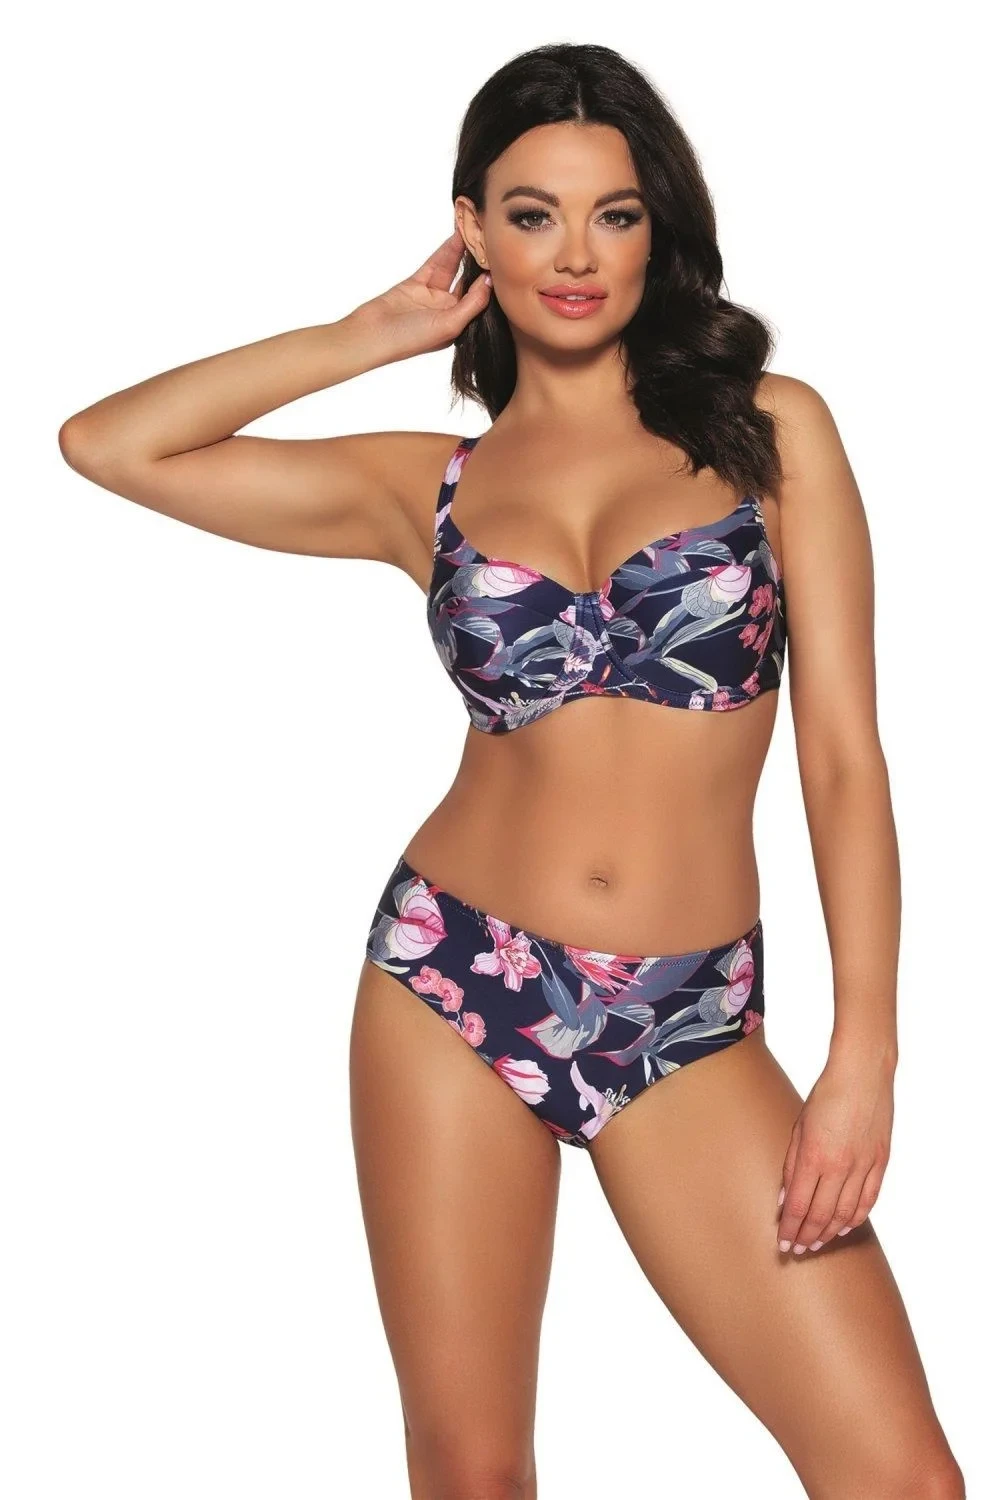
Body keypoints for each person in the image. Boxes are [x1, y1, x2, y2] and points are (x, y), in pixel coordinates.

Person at [58, 39, 963, 1500]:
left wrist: (868, 1049)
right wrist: (367, 332)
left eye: (615, 213)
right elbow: (109, 445)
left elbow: (845, 761)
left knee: (897, 1477)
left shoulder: (771, 431)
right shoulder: (428, 486)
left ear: (658, 228)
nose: (577, 256)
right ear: (473, 229)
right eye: (533, 215)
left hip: (682, 1016)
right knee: (472, 1475)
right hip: (451, 977)